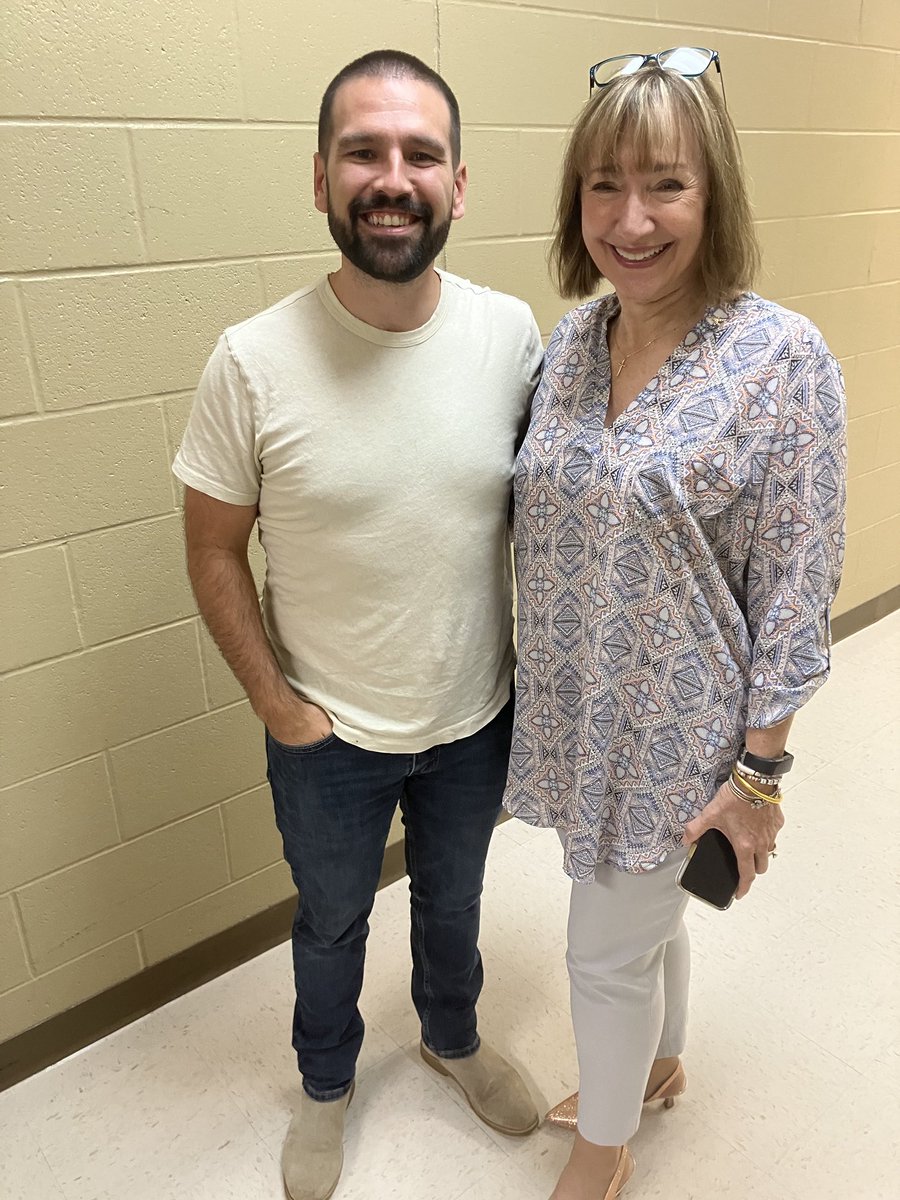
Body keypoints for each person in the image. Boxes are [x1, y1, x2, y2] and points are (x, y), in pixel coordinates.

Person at [174, 49, 542, 1200]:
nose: (394, 177)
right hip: (326, 738)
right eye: (364, 152)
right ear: (322, 178)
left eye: (420, 154)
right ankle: (326, 1086)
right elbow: (211, 547)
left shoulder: (512, 336)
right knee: (331, 923)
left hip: (475, 716)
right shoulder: (251, 361)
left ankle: (451, 1035)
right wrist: (277, 706)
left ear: (460, 184)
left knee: (456, 899)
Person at [502, 48, 845, 1200]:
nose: (631, 219)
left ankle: (604, 1149)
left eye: (667, 183)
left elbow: (799, 581)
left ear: (718, 195)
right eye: (605, 184)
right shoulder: (568, 350)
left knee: (601, 947)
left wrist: (757, 779)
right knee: (649, 916)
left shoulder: (780, 359)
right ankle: (656, 1067)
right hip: (581, 712)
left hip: (682, 731)